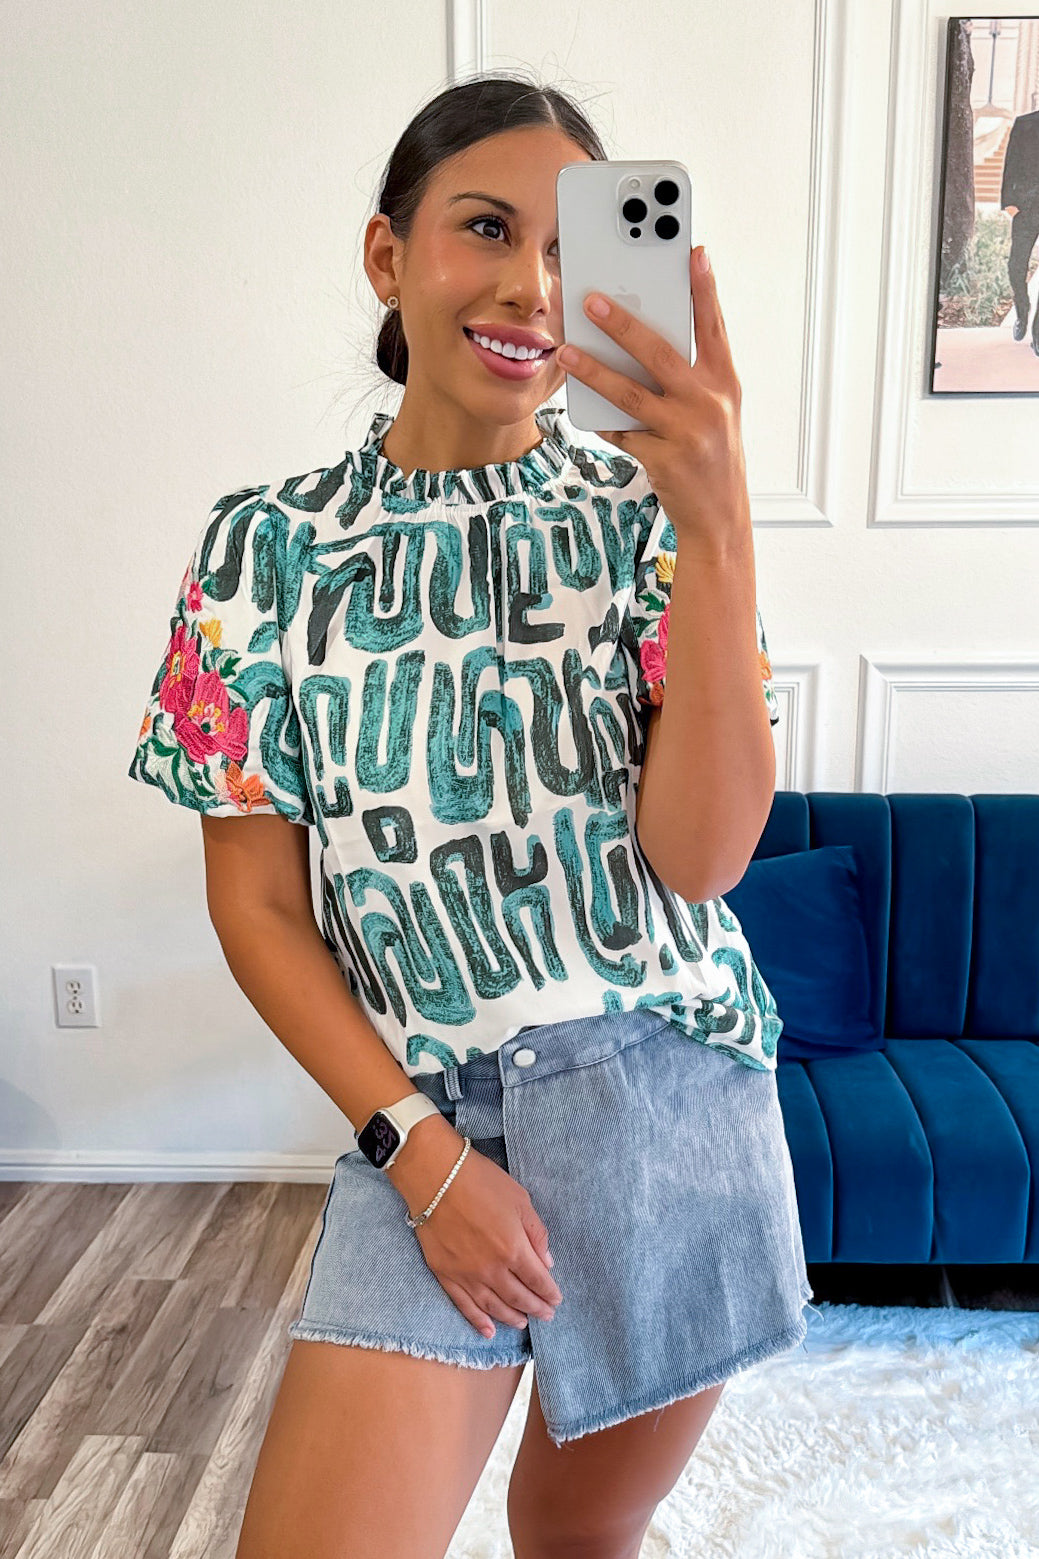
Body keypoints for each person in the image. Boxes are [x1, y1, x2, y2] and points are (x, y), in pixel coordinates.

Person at [128, 70, 815, 1559]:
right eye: (487, 228)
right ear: (390, 255)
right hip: (428, 1114)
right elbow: (257, 906)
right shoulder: (263, 551)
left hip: (669, 1103)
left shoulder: (648, 522)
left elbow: (702, 860)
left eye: (574, 247)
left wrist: (717, 519)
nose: (532, 287)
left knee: (576, 1537)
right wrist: (425, 1159)